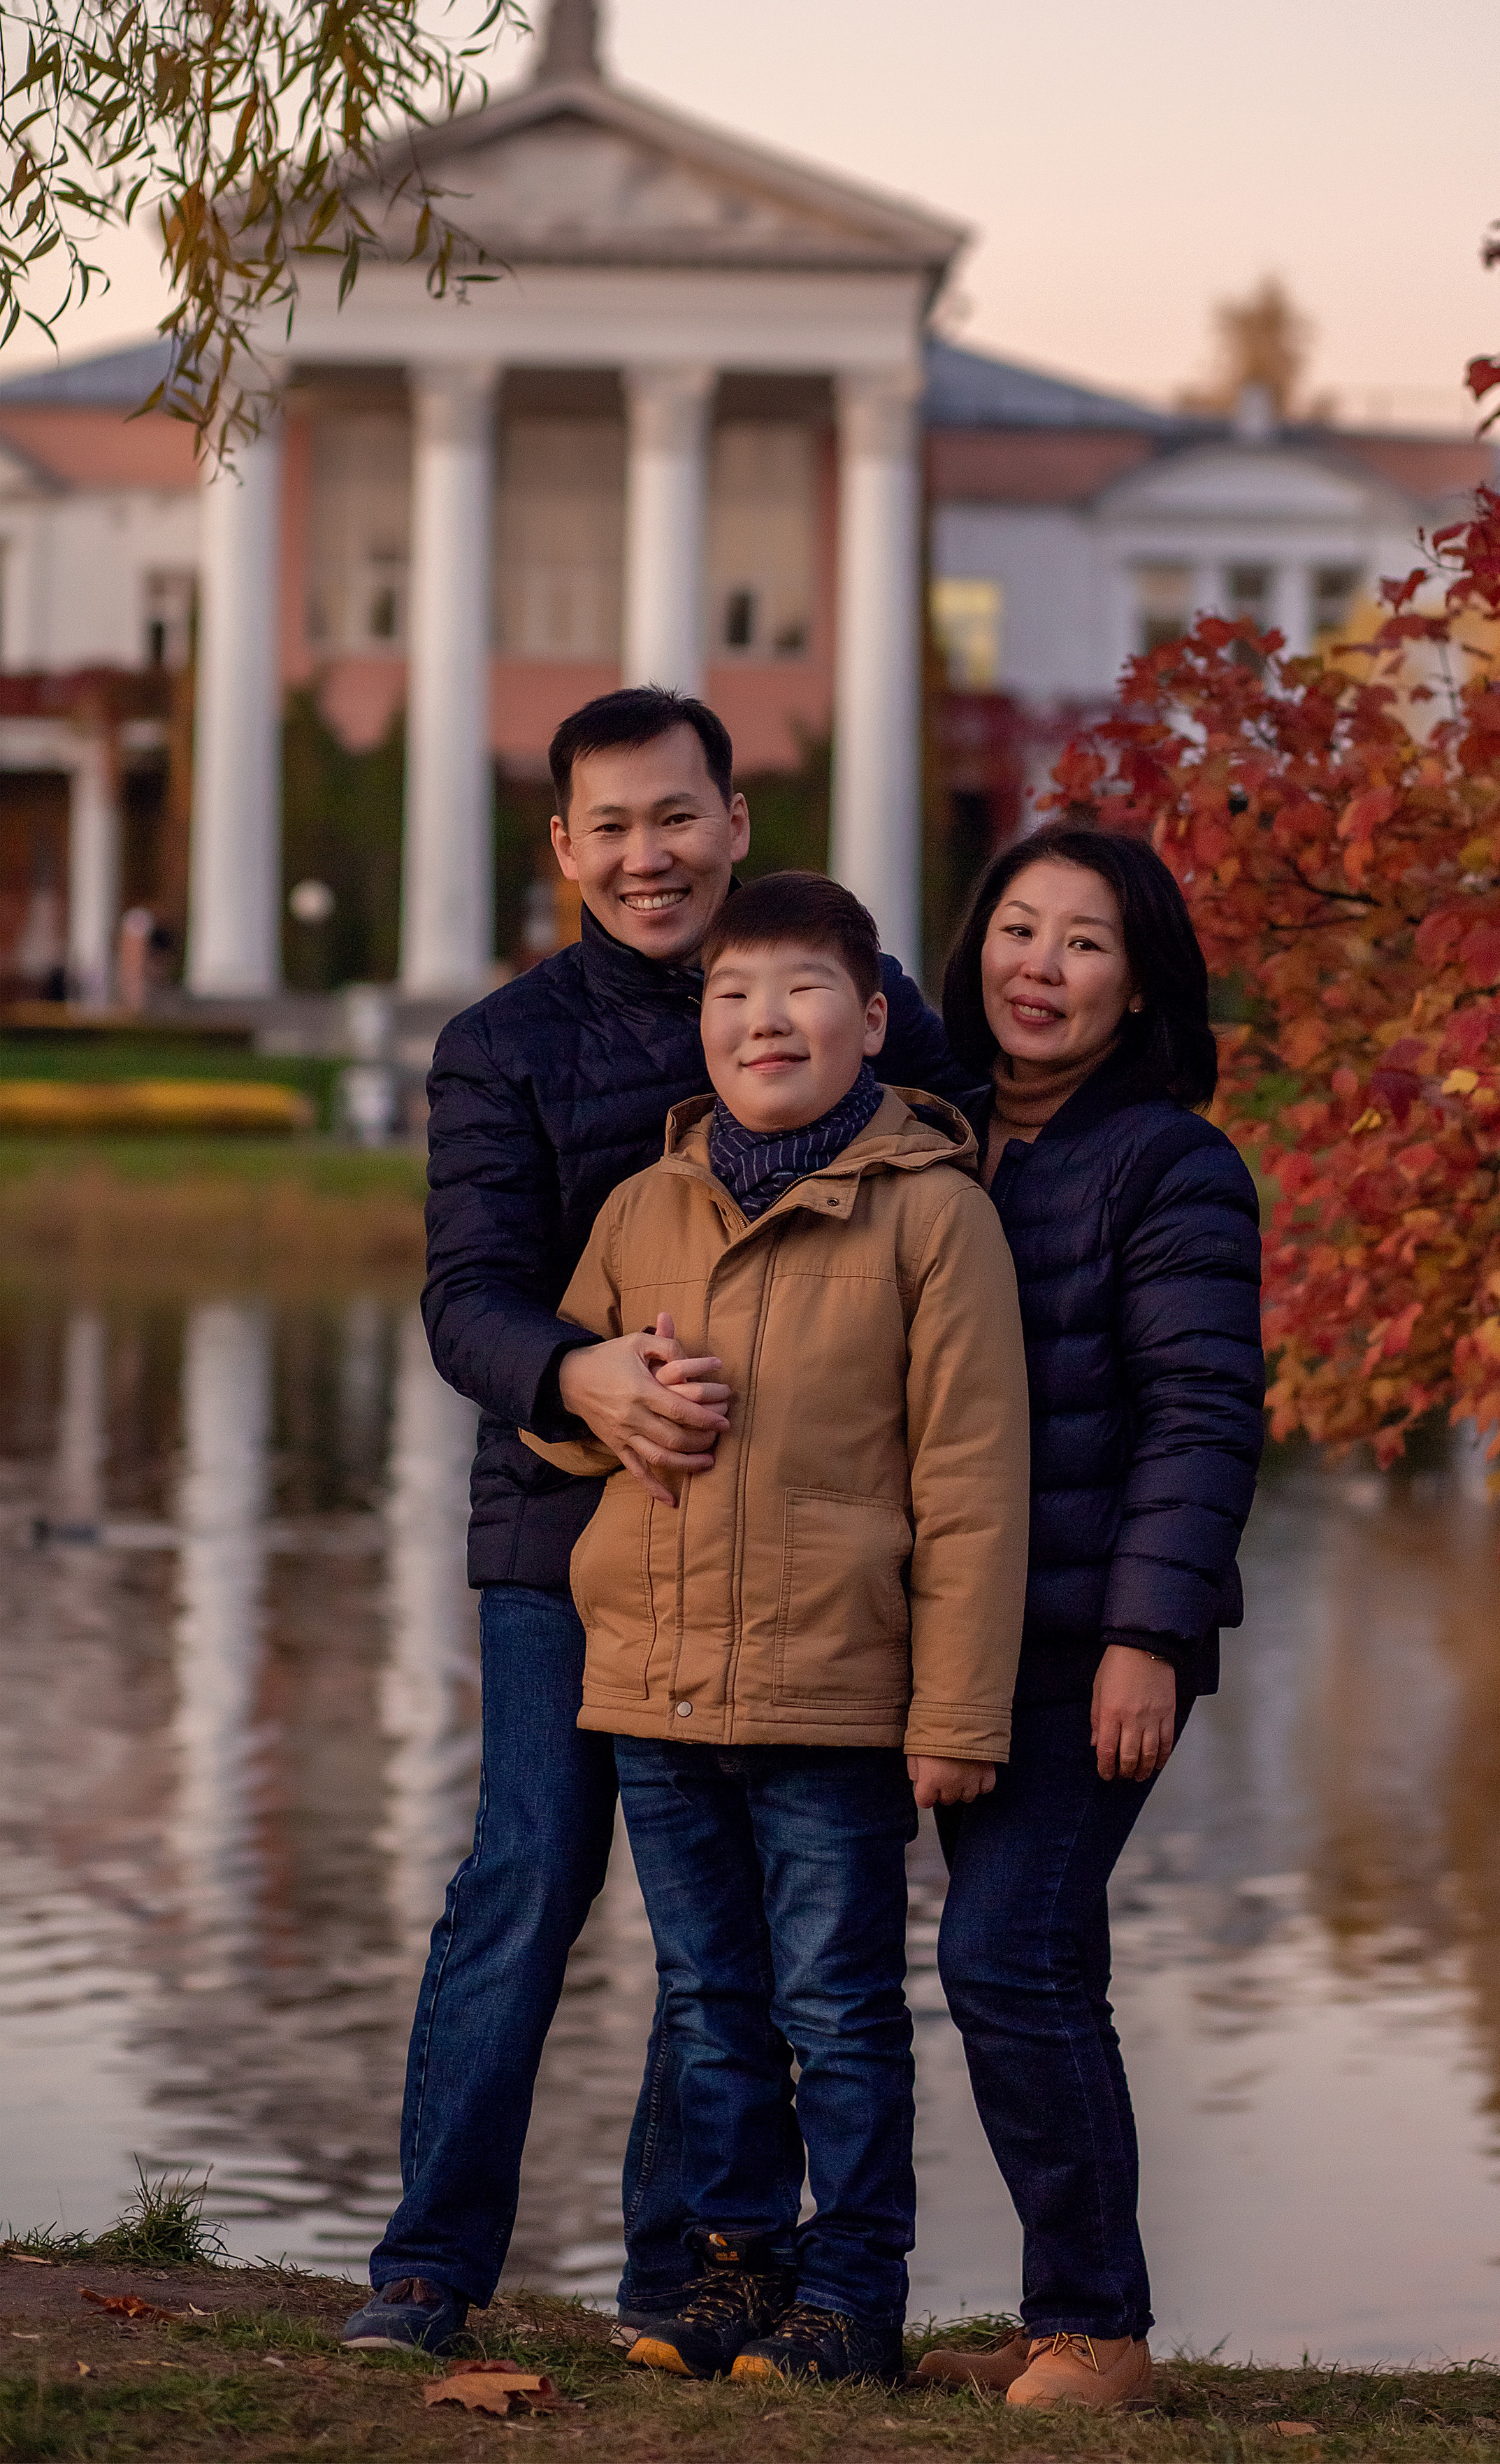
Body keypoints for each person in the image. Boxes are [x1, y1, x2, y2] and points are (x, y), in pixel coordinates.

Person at [342, 695, 964, 2354]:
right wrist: (578, 1373)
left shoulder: (853, 996)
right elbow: (463, 1299)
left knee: (736, 1943)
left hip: (791, 1560)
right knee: (530, 1880)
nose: (646, 856)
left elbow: (963, 1154)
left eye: (675, 817)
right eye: (608, 826)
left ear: (736, 821)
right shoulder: (503, 1044)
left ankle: (680, 2273)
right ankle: (428, 2270)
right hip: (568, 1536)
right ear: (561, 848)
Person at [521, 871, 1030, 2388]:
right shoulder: (643, 1205)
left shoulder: (933, 1217)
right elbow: (559, 1426)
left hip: (833, 1696)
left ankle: (852, 2290)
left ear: (870, 1019)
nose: (764, 1019)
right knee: (707, 2001)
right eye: (734, 996)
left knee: (836, 2005)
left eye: (802, 991)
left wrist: (953, 1718)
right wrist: (611, 1390)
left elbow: (971, 1482)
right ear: (707, 1026)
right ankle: (736, 2271)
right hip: (658, 1690)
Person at [912, 824, 1265, 2414]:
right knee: (998, 1961)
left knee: (1010, 1956)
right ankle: (1043, 2305)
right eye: (1016, 929)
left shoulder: (1169, 1163)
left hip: (1089, 1639)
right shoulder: (931, 1138)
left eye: (1082, 944)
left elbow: (1201, 1414)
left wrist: (1145, 1637)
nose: (1036, 967)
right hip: (939, 1633)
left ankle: (1098, 2335)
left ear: (1138, 992)